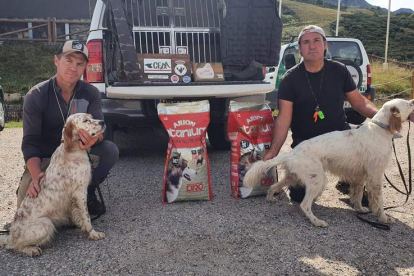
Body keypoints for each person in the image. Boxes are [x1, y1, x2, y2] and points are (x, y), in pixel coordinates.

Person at [264, 25, 378, 203]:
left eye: (317, 40)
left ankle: (349, 182)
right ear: (300, 49)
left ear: (325, 45)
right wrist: (273, 151)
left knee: (363, 188)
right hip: (307, 144)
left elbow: (360, 103)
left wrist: (384, 117)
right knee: (298, 196)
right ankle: (342, 180)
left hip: (340, 139)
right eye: (306, 42)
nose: (312, 46)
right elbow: (283, 119)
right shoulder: (290, 79)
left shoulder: (340, 70)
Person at [18, 40, 119, 216]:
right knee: (27, 211)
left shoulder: (91, 93)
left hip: (76, 154)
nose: (74, 68)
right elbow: (30, 142)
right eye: (69, 60)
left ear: (85, 67)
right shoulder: (36, 95)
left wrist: (94, 139)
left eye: (80, 64)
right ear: (56, 61)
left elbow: (101, 130)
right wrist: (36, 175)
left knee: (110, 150)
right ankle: (38, 186)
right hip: (47, 160)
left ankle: (85, 193)